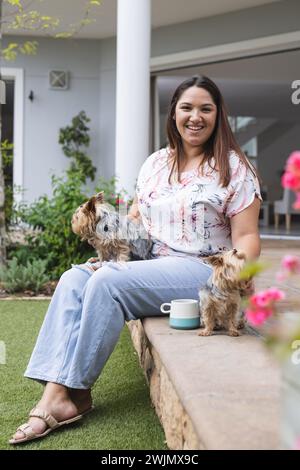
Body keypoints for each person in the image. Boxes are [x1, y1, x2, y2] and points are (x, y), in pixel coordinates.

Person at [10, 75, 262, 444]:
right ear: (174, 113)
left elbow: (247, 236)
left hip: (202, 270)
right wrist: (111, 242)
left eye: (206, 109)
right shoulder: (157, 163)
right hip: (151, 262)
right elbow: (137, 220)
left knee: (108, 283)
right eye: (187, 107)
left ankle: (66, 397)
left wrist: (243, 272)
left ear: (218, 115)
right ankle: (61, 394)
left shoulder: (234, 167)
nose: (196, 117)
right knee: (74, 277)